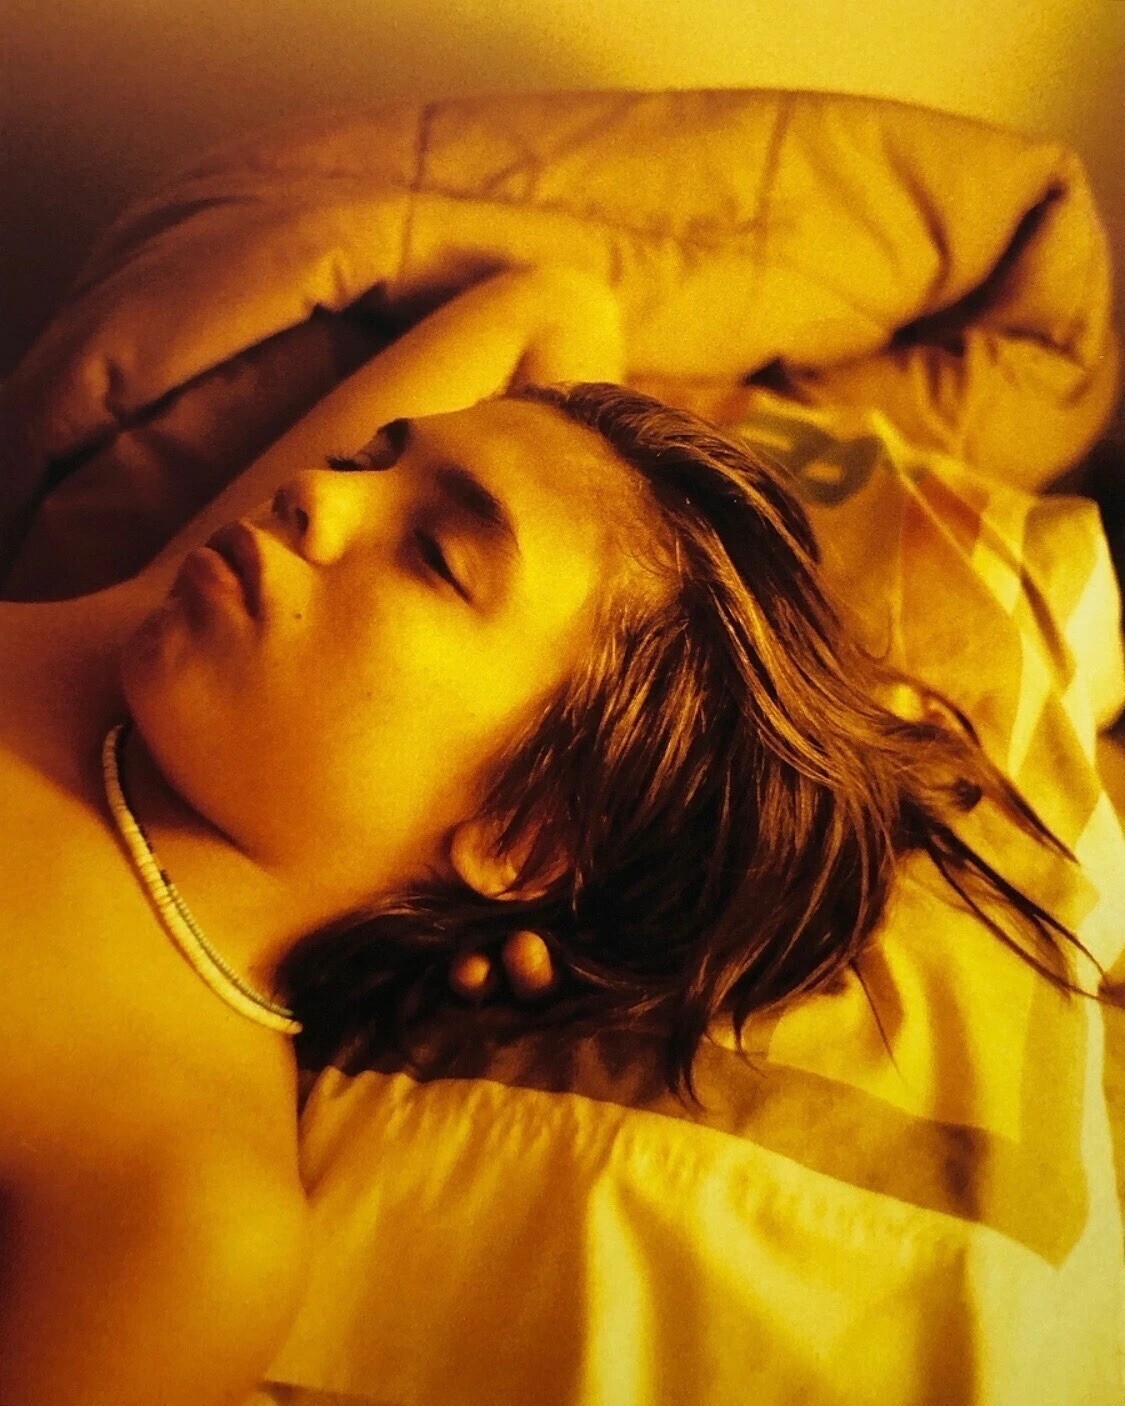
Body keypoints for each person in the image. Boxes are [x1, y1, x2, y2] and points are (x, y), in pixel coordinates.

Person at [0, 264, 1109, 1404]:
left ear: (524, 838)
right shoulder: (141, 635)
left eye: (437, 556)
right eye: (369, 458)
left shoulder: (172, 1208)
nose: (315, 494)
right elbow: (556, 307)